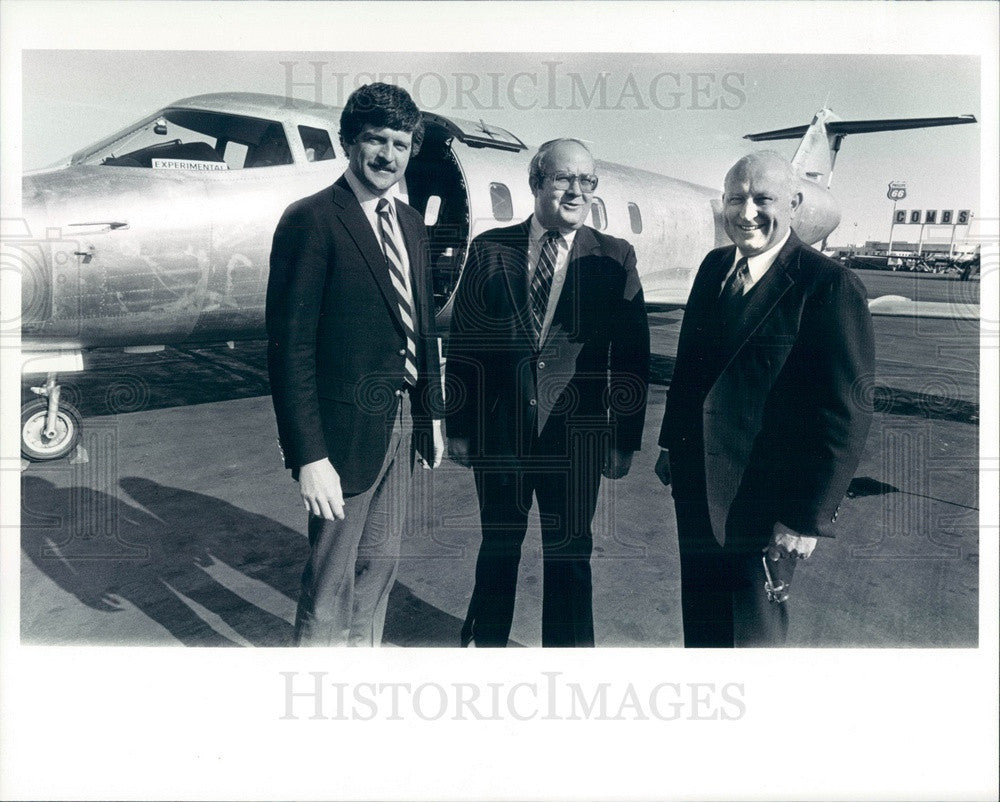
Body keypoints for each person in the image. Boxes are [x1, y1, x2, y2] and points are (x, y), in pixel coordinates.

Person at [655, 150, 875, 647]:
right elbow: (689, 368)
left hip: (767, 500)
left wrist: (805, 517)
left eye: (763, 198)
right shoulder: (714, 267)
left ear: (795, 203)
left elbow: (846, 412)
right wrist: (672, 446)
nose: (747, 211)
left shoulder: (829, 286)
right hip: (696, 484)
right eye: (736, 198)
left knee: (753, 634)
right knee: (704, 621)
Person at [446, 138, 650, 647]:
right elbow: (466, 346)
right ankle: (486, 648)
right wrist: (459, 427)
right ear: (537, 182)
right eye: (563, 178)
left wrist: (624, 440)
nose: (576, 191)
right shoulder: (490, 249)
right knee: (498, 548)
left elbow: (631, 357)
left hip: (576, 440)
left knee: (569, 557)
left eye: (587, 181)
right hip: (501, 434)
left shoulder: (615, 257)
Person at [266, 83, 443, 647]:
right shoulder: (311, 220)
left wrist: (432, 416)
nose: (388, 155)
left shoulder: (411, 224)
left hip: (401, 426)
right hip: (340, 438)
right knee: (329, 586)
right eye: (375, 140)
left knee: (377, 576)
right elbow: (289, 349)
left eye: (401, 142)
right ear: (349, 141)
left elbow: (422, 324)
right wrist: (308, 455)